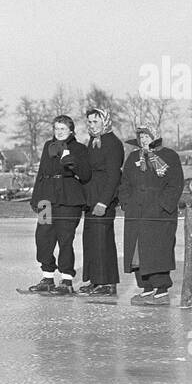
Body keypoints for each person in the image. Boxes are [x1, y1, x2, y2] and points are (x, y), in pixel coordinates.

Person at [119, 125, 183, 305]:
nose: (144, 140)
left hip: (159, 215)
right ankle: (146, 289)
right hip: (136, 213)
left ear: (155, 136)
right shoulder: (133, 157)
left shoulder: (169, 156)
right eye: (141, 137)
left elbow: (175, 184)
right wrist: (126, 203)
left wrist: (163, 205)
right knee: (137, 253)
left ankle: (161, 291)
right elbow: (124, 184)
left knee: (158, 251)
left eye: (147, 136)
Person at [28, 114, 91, 294]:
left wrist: (73, 165)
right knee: (43, 237)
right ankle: (47, 276)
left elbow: (86, 175)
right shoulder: (49, 146)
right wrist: (36, 198)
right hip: (46, 200)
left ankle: (67, 279)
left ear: (71, 130)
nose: (59, 132)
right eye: (57, 128)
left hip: (68, 200)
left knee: (65, 239)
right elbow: (41, 172)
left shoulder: (79, 148)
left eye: (63, 128)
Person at [79, 106, 124, 295]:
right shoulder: (92, 141)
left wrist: (104, 202)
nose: (92, 125)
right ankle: (95, 279)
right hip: (90, 198)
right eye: (89, 122)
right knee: (90, 240)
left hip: (102, 200)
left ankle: (108, 282)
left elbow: (114, 176)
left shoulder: (112, 143)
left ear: (105, 121)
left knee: (102, 240)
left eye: (95, 121)